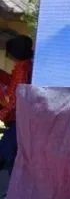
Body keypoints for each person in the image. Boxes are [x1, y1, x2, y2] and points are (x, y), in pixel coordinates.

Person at [0, 35, 33, 172]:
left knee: (6, 152)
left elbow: (16, 97)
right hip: (22, 118)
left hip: (19, 118)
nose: (9, 57)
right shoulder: (27, 65)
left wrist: (4, 114)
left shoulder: (22, 68)